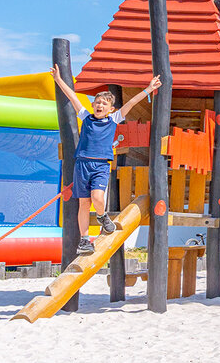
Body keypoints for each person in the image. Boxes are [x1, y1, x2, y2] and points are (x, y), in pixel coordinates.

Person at [50, 66, 161, 256]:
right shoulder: (86, 117)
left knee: (98, 198)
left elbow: (132, 103)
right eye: (97, 102)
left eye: (103, 103)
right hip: (82, 164)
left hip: (101, 165)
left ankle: (102, 216)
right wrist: (59, 79)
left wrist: (148, 89)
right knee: (84, 204)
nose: (99, 105)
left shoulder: (114, 119)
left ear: (111, 109)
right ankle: (85, 240)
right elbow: (72, 97)